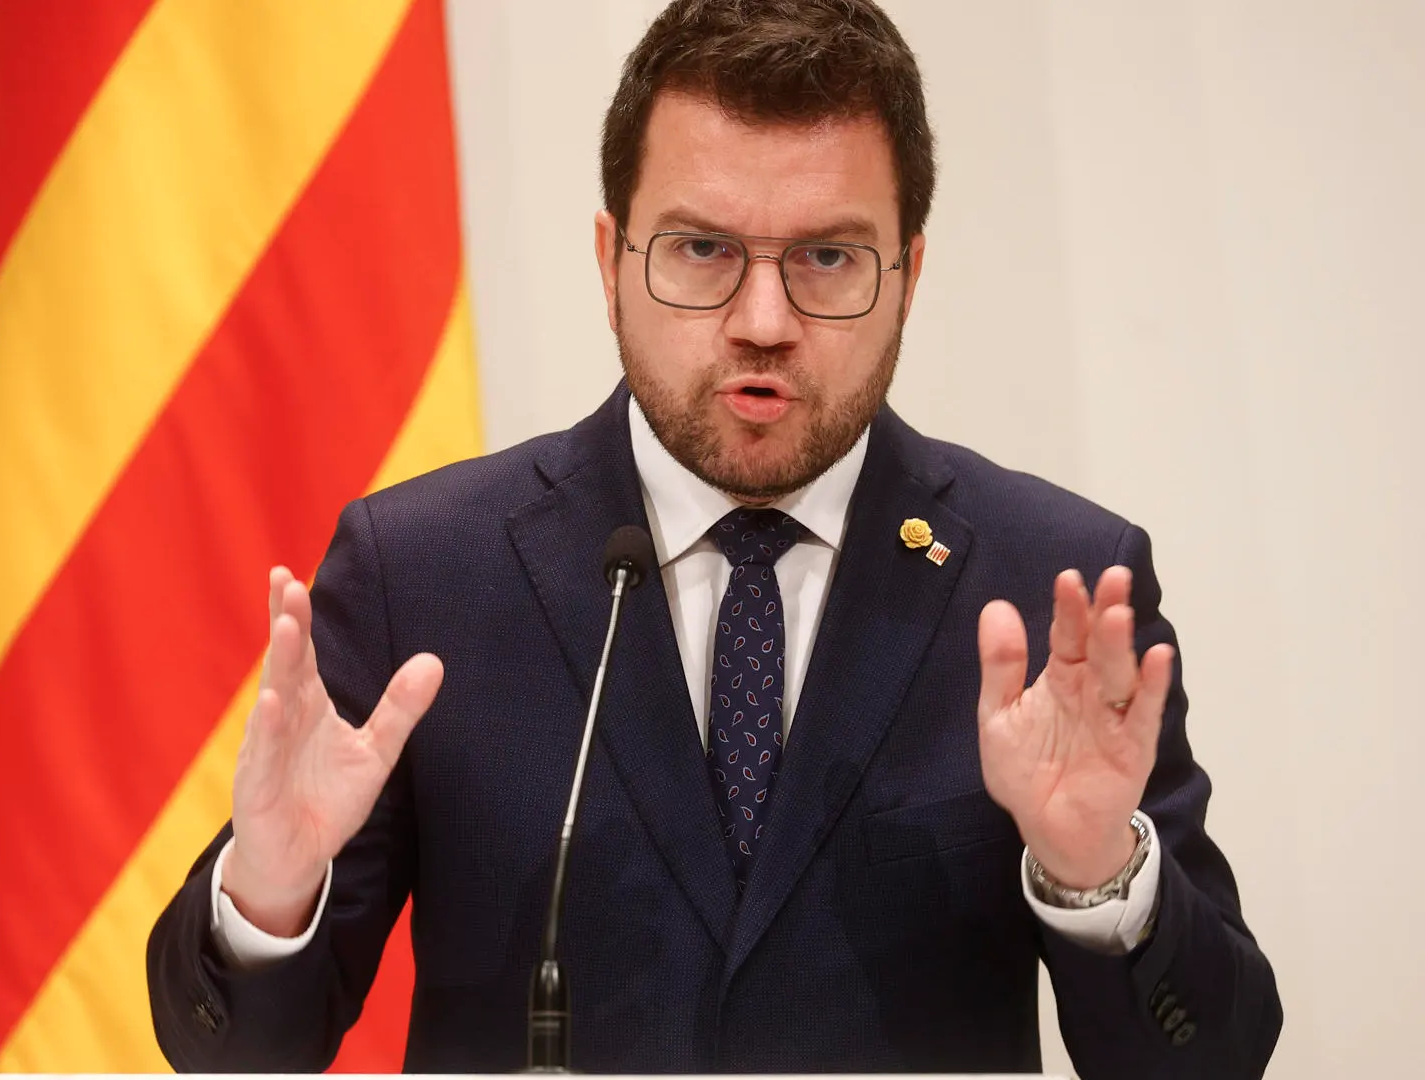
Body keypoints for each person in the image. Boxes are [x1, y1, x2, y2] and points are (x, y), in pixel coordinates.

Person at [146, 0, 1282, 1073]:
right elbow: (233, 1057)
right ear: (611, 264)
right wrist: (271, 897)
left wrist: (1098, 877)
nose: (763, 323)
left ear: (909, 276)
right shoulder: (426, 572)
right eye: (701, 251)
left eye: (828, 258)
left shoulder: (1054, 591)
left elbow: (1214, 1061)